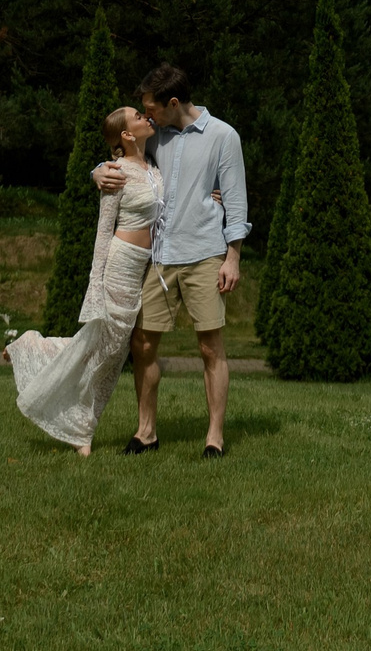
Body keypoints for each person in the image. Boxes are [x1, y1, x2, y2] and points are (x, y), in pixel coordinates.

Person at [94, 63, 247, 457]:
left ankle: (214, 437)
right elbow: (123, 159)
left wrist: (233, 257)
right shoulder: (155, 135)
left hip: (205, 255)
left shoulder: (223, 136)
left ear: (173, 102)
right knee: (142, 344)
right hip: (158, 258)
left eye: (151, 109)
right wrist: (97, 172)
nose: (147, 116)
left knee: (210, 348)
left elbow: (234, 199)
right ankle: (146, 432)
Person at [5, 105, 158, 456]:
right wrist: (96, 284)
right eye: (137, 115)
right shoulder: (116, 173)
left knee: (111, 355)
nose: (145, 116)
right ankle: (33, 349)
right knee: (102, 349)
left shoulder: (153, 170)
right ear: (127, 135)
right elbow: (104, 233)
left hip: (141, 270)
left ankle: (81, 426)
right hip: (119, 267)